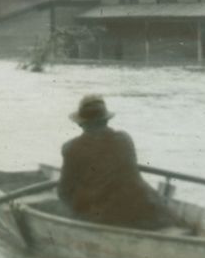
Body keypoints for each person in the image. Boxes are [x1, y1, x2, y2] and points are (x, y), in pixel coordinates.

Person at [58, 94, 174, 230]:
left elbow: (64, 192)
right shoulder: (124, 139)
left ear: (81, 123)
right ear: (106, 120)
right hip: (144, 210)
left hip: (104, 217)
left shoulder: (71, 148)